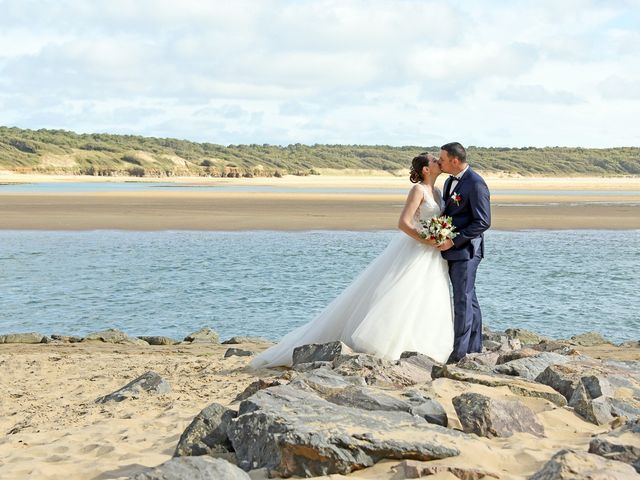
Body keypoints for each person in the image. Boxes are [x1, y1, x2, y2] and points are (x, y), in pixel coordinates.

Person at [249, 153, 454, 369]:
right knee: (403, 293)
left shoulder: (438, 191)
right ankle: (390, 343)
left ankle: (424, 343)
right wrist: (426, 239)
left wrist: (437, 237)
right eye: (434, 160)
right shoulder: (418, 190)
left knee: (425, 295)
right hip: (416, 248)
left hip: (432, 253)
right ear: (425, 169)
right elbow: (403, 223)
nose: (438, 162)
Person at [436, 142, 491, 363]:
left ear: (455, 161)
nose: (440, 162)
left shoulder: (476, 184)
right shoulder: (450, 181)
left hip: (467, 251)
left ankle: (459, 354)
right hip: (454, 250)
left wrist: (454, 241)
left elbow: (483, 222)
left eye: (442, 159)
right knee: (469, 298)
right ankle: (473, 347)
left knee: (462, 300)